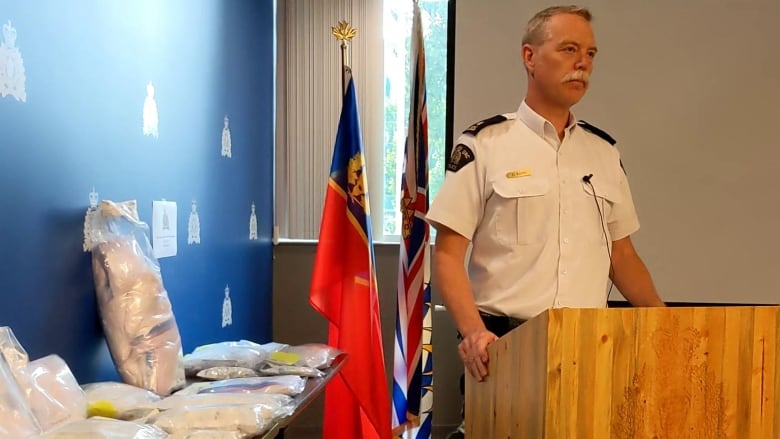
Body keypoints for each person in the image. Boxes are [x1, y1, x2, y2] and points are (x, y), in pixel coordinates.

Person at [426, 5, 666, 437]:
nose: (583, 63)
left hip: (590, 347)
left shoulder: (603, 152)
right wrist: (473, 333)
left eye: (591, 54)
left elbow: (622, 255)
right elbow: (447, 253)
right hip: (505, 345)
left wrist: (666, 324)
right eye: (569, 49)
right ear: (529, 57)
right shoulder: (486, 144)